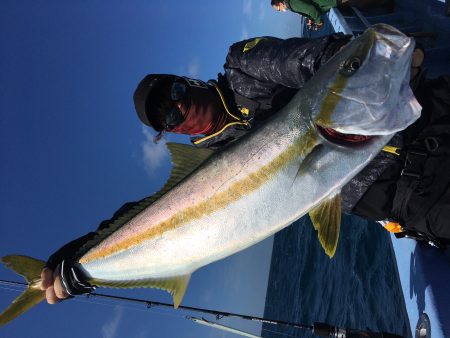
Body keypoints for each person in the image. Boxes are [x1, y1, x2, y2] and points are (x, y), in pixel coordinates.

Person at [271, 0, 394, 30]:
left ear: (280, 3)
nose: (280, 10)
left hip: (331, 1)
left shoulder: (291, 3)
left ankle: (387, 2)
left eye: (278, 8)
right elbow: (307, 9)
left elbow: (310, 9)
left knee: (360, 2)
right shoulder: (292, 3)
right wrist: (310, 20)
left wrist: (318, 22)